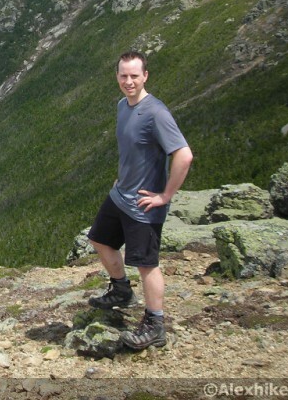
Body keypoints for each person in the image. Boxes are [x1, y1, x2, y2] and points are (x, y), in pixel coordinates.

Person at [86, 50, 193, 350]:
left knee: (147, 265)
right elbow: (133, 150)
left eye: (134, 76)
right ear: (117, 76)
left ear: (145, 76)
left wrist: (165, 195)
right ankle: (121, 290)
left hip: (144, 205)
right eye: (123, 75)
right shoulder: (123, 106)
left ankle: (155, 324)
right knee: (99, 239)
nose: (129, 81)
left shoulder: (156, 113)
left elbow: (183, 155)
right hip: (121, 195)